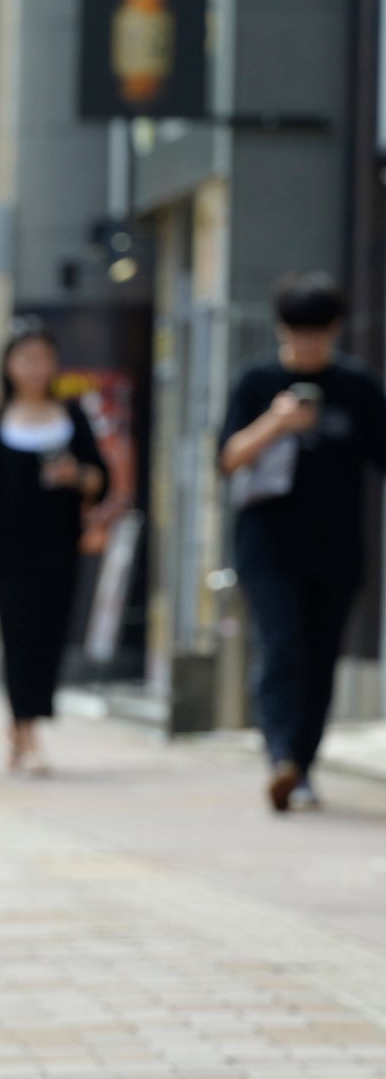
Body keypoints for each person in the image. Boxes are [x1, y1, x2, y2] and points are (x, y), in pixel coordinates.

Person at [219, 274, 386, 812]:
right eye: (297, 331)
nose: (307, 343)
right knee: (281, 646)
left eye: (318, 332)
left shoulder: (358, 388)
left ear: (335, 330)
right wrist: (276, 422)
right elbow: (227, 458)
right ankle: (280, 758)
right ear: (280, 329)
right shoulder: (256, 382)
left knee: (319, 660)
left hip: (336, 550)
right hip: (267, 546)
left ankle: (304, 766)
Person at [0, 321, 109, 775]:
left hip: (58, 547)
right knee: (17, 636)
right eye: (27, 358)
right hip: (5, 551)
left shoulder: (72, 417)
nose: (36, 368)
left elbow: (102, 478)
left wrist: (75, 476)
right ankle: (26, 729)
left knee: (49, 637)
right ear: (9, 365)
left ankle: (24, 726)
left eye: (44, 358)